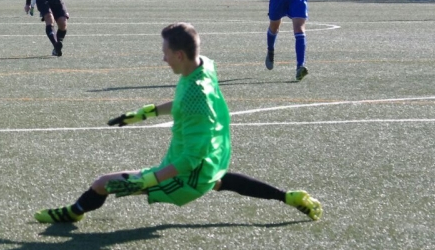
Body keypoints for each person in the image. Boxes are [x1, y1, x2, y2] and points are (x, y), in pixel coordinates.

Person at [35, 22, 323, 224]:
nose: (163, 58)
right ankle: (288, 197)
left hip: (186, 175)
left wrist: (149, 179)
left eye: (166, 53)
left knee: (102, 184)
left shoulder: (197, 97)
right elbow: (183, 105)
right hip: (208, 158)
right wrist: (146, 113)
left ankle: (74, 212)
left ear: (180, 55)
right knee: (222, 180)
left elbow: (188, 160)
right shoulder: (203, 66)